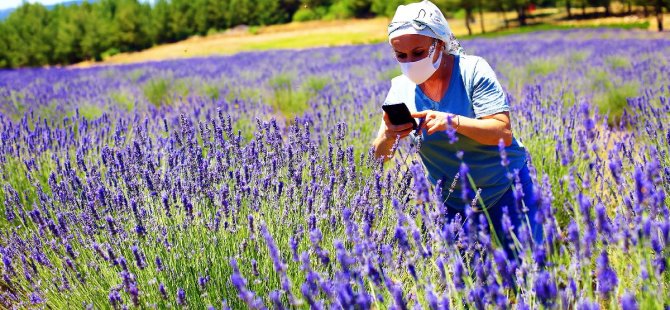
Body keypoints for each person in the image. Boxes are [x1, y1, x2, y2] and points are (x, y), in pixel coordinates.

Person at [372, 0, 542, 254]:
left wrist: (452, 122)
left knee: (530, 267)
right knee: (470, 282)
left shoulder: (472, 71)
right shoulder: (400, 89)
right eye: (401, 55)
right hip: (453, 201)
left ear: (439, 45)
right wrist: (388, 135)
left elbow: (503, 133)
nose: (409, 61)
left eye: (418, 53)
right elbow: (379, 156)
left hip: (504, 187)